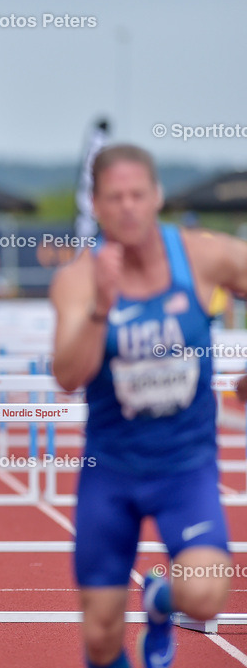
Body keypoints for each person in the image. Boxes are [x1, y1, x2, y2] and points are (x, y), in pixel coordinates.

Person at [50, 145, 235, 668]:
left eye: (137, 195)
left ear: (156, 197)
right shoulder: (78, 281)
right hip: (110, 473)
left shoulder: (204, 256)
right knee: (103, 639)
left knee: (204, 597)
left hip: (186, 468)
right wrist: (101, 309)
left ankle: (160, 599)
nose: (128, 207)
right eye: (115, 197)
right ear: (97, 205)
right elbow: (67, 376)